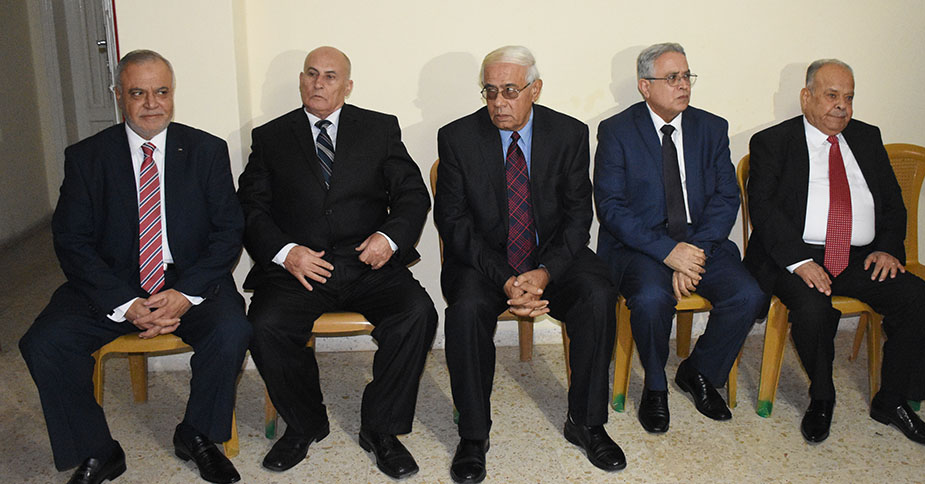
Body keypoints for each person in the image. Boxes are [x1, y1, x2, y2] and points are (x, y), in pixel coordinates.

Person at [19, 50, 249, 484]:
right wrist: (125, 302)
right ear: (119, 96)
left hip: (185, 280)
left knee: (232, 330)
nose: (151, 104)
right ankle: (97, 450)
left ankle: (197, 434)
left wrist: (184, 294)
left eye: (161, 91)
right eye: (138, 93)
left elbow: (228, 231)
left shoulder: (205, 150)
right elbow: (71, 241)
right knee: (44, 342)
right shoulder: (87, 157)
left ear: (172, 93)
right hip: (110, 284)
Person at [237, 46, 437, 479]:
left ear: (347, 86)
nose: (318, 83)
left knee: (417, 313)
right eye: (311, 74)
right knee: (265, 325)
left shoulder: (379, 128)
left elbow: (412, 194)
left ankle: (381, 428)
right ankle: (305, 424)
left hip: (367, 263)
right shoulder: (271, 136)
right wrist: (286, 253)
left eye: (330, 76)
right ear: (301, 80)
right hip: (300, 267)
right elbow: (251, 207)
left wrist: (389, 239)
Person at [435, 45, 625, 483]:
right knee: (465, 308)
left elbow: (578, 218)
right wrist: (505, 278)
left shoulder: (569, 133)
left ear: (535, 90)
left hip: (551, 258)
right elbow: (454, 223)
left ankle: (586, 422)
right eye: (490, 91)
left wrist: (544, 273)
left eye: (509, 91)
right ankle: (473, 434)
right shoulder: (457, 137)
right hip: (484, 262)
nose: (498, 102)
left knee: (598, 293)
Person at [744, 59, 925, 447]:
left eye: (849, 97)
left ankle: (892, 401)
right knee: (813, 308)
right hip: (795, 255)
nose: (842, 106)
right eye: (832, 95)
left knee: (919, 298)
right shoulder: (773, 142)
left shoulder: (867, 138)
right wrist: (800, 262)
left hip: (860, 256)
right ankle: (822, 397)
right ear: (806, 97)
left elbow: (893, 203)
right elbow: (764, 209)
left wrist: (887, 248)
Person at [594, 42, 765, 434]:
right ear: (645, 86)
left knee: (748, 295)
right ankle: (655, 386)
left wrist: (694, 253)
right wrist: (668, 252)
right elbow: (612, 208)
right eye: (672, 78)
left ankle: (699, 371)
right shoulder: (616, 131)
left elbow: (726, 197)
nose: (683, 85)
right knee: (651, 299)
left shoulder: (712, 128)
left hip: (701, 239)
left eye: (686, 76)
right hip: (641, 245)